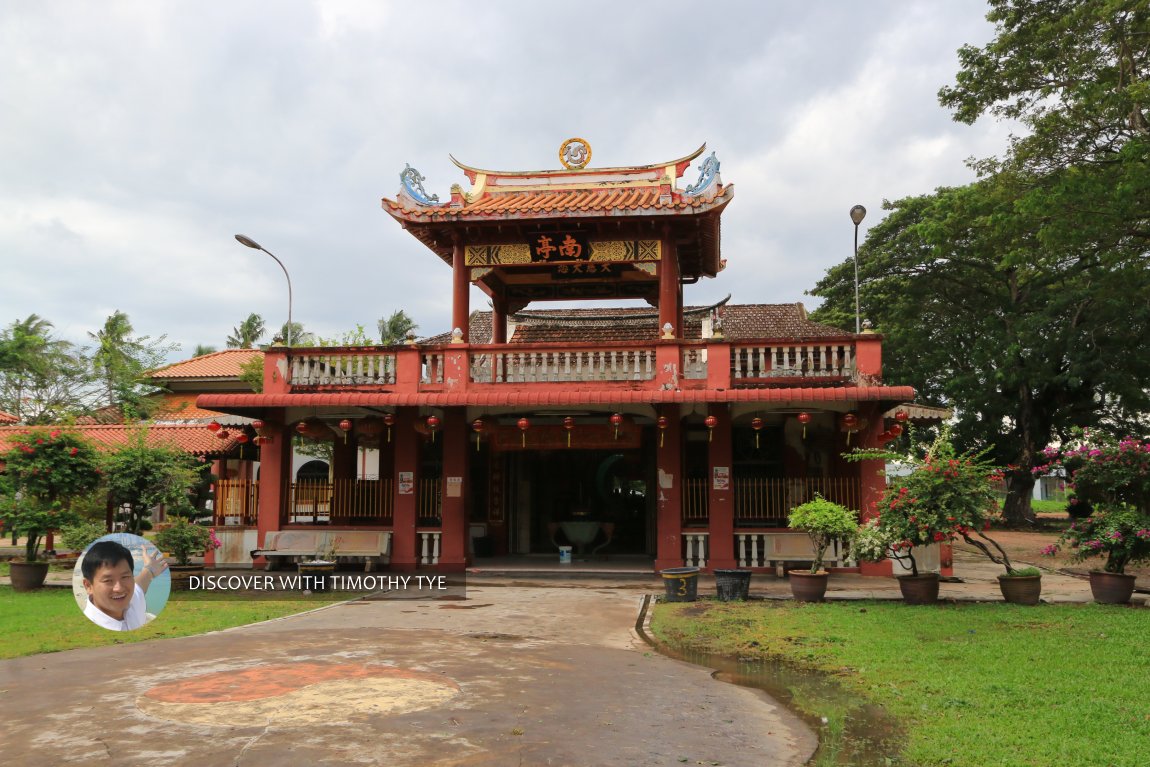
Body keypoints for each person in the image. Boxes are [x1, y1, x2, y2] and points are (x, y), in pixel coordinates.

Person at [80, 540, 168, 631]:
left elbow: (141, 582)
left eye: (125, 577)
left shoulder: (132, 601)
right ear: (88, 586)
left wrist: (150, 569)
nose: (119, 588)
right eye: (108, 580)